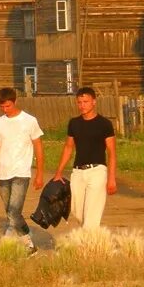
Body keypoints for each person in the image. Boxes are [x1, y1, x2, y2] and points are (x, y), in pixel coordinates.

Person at [0, 87, 45, 252]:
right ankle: (29, 244)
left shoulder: (30, 121)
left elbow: (38, 147)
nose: (5, 109)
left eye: (8, 106)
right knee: (11, 212)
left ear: (15, 101)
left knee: (14, 211)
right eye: (2, 107)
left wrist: (40, 174)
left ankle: (5, 244)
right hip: (2, 173)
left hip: (21, 173)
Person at [52, 87, 117, 229]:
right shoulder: (74, 123)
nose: (82, 105)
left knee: (92, 213)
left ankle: (89, 247)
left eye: (86, 101)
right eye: (79, 102)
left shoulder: (104, 124)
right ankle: (97, 240)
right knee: (77, 211)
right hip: (78, 172)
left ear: (94, 102)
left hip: (97, 171)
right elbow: (69, 147)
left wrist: (111, 178)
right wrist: (59, 172)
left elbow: (112, 152)